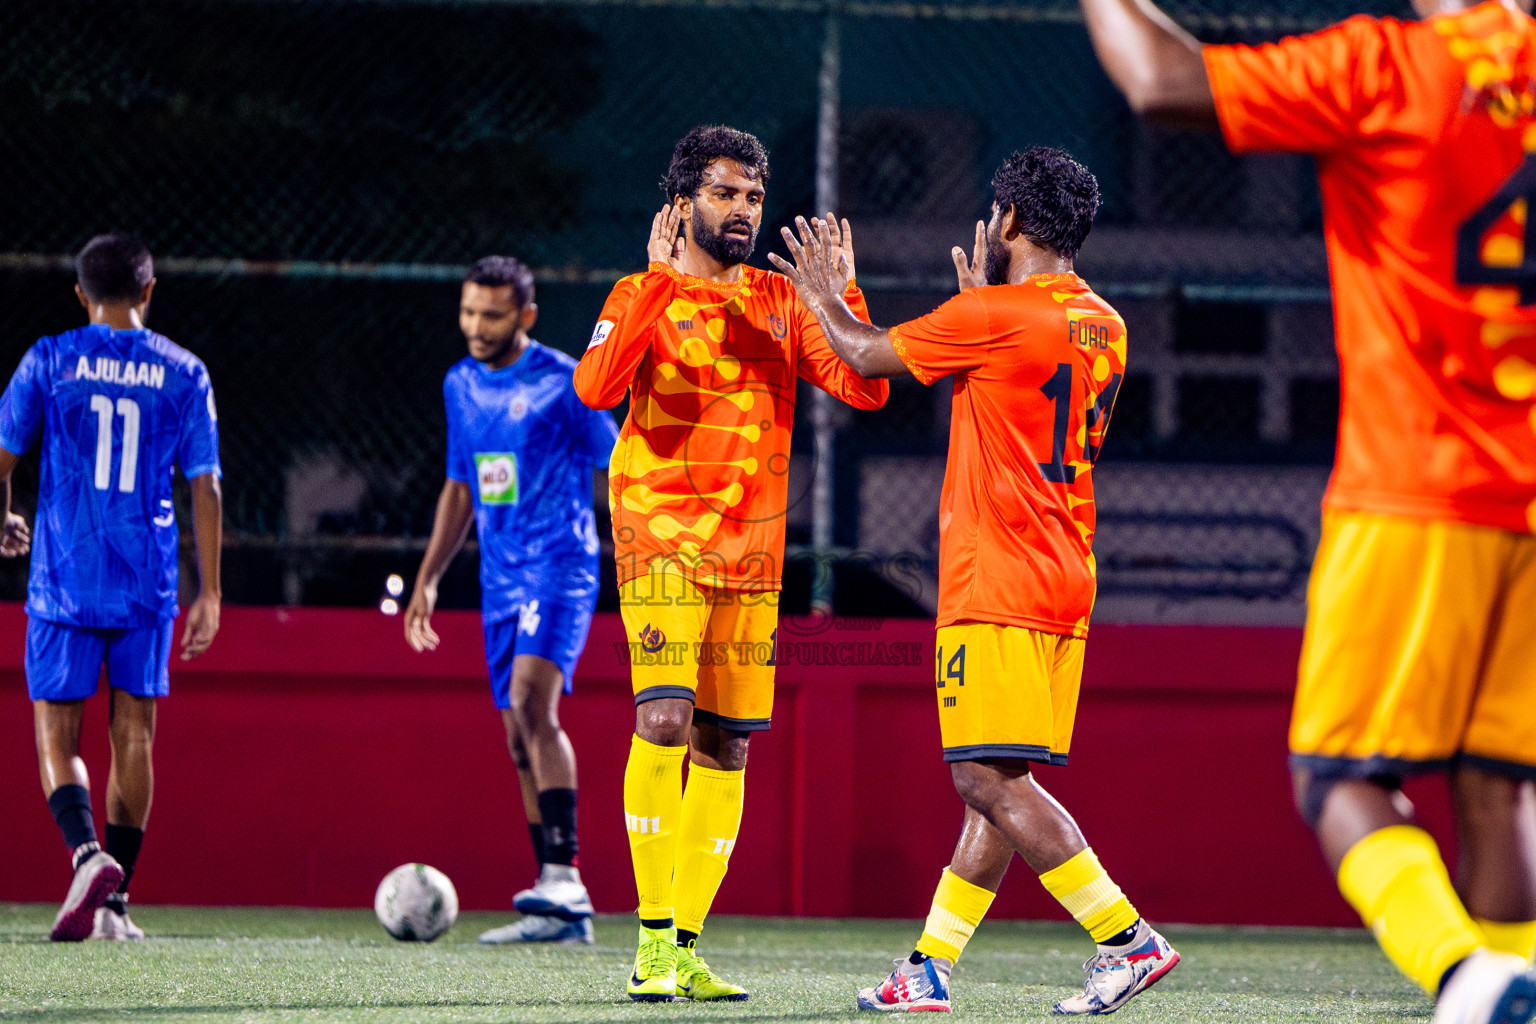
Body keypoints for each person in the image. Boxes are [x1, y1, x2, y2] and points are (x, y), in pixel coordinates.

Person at [1075, 0, 1536, 1020]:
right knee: (1502, 783)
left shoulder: (1385, 66)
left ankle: (1468, 976)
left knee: (1338, 777)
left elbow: (1157, 77)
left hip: (1418, 489)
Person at [769, 148, 1179, 1015]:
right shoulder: (1105, 320)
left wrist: (820, 296)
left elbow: (864, 355)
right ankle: (929, 969)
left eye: (997, 211)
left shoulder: (995, 314)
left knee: (983, 780)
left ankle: (1124, 938)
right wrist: (974, 308)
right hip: (1064, 571)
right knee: (995, 778)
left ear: (1012, 223)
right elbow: (1004, 386)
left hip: (998, 573)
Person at [573, 124, 889, 1002]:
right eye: (724, 194)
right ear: (683, 205)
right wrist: (660, 283)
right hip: (659, 540)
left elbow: (867, 386)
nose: (744, 209)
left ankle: (684, 943)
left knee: (726, 746)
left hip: (750, 558)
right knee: (665, 722)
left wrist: (839, 294)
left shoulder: (783, 304)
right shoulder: (641, 290)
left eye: (753, 195)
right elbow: (594, 388)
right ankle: (647, 945)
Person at [0, 234, 222, 942]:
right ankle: (114, 905)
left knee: (55, 732)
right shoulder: (184, 373)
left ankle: (85, 853)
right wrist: (210, 591)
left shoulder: (50, 359)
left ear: (79, 293)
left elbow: (0, 457)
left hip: (64, 577)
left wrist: (4, 514)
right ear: (149, 291)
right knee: (135, 733)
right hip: (144, 581)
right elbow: (206, 488)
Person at [404, 255, 619, 946]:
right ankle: (558, 908)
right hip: (498, 579)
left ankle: (566, 878)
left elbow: (617, 465)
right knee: (516, 739)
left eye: (491, 314)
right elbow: (461, 488)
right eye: (468, 312)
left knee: (533, 703)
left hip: (560, 566)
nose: (475, 326)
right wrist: (429, 577)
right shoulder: (459, 384)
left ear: (524, 316)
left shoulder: (565, 383)